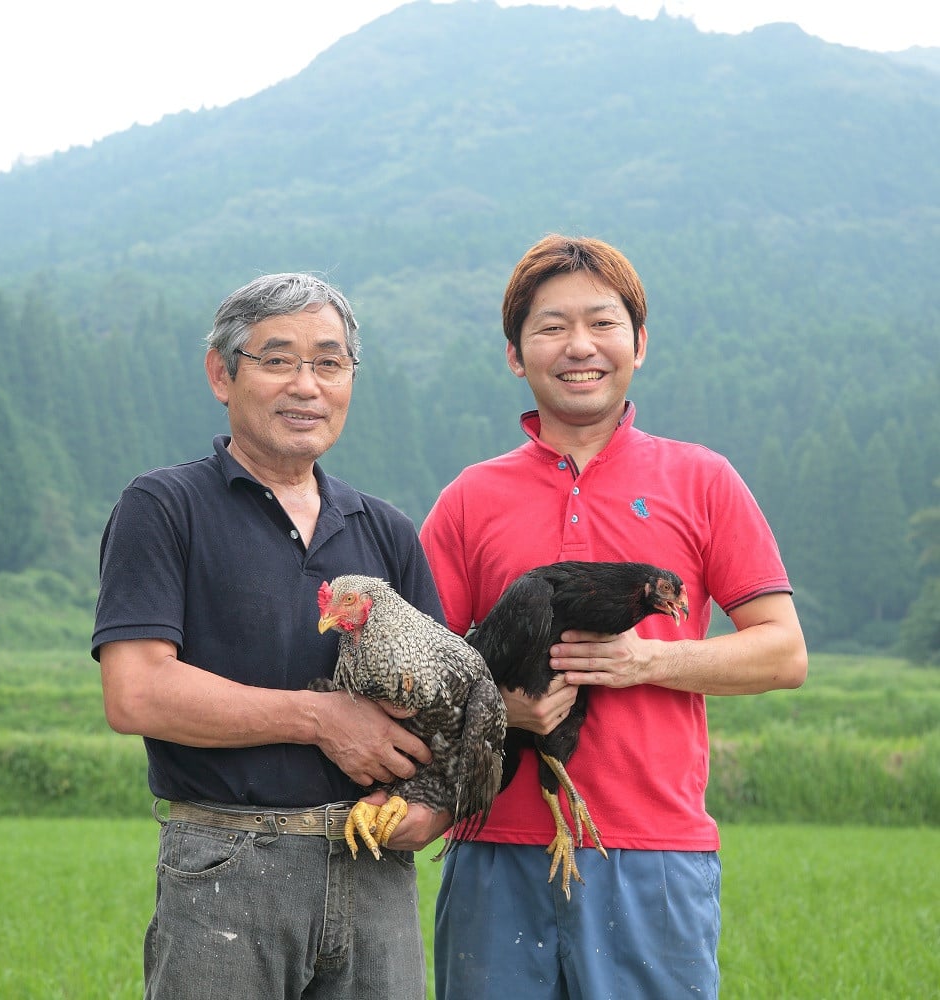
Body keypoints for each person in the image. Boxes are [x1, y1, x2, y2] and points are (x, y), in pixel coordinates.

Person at [419, 234, 809, 999]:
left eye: (601, 323)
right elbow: (422, 670)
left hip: (655, 851)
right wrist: (498, 708)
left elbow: (783, 653)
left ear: (639, 342)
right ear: (514, 354)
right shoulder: (470, 498)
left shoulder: (702, 480)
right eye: (551, 327)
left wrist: (649, 660)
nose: (579, 346)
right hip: (492, 844)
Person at [92, 273, 450, 1000]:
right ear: (222, 374)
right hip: (227, 863)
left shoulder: (385, 531)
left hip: (376, 870)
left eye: (329, 362)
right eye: (278, 359)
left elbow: (444, 707)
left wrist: (431, 808)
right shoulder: (164, 507)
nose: (307, 385)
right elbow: (136, 692)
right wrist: (321, 719)